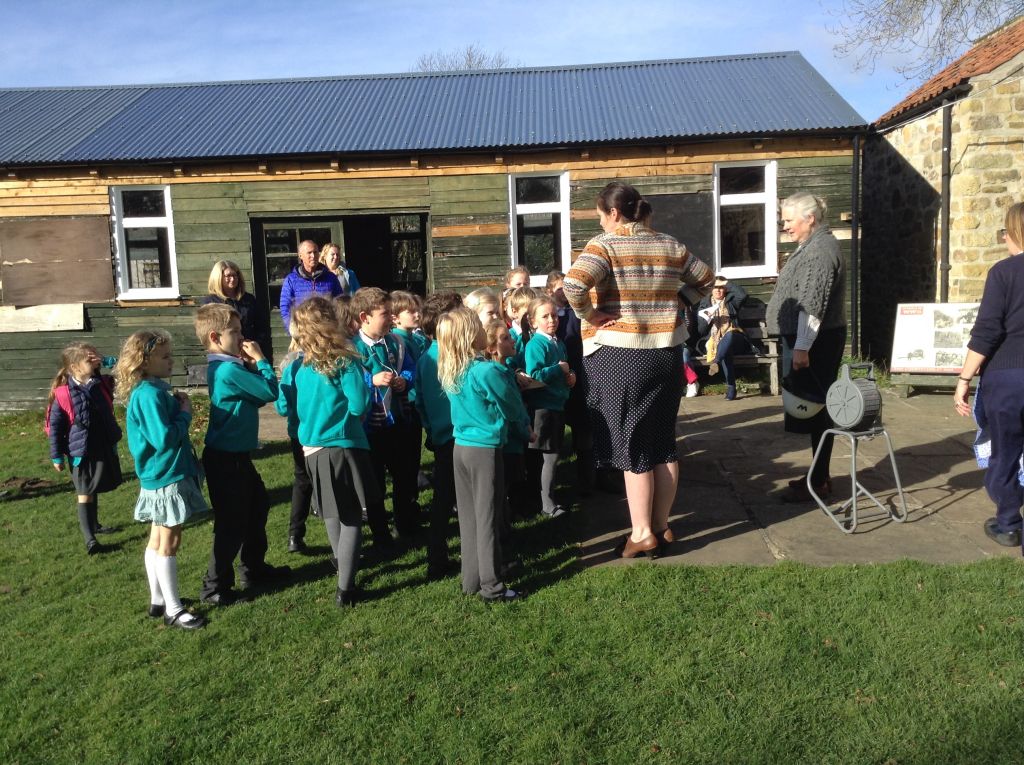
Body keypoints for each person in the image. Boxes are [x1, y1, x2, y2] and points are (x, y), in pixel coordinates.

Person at [564, 181, 713, 558]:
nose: (601, 222)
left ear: (613, 213)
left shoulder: (606, 244)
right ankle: (662, 526)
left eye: (600, 215)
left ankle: (642, 532)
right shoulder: (670, 244)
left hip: (620, 357)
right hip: (666, 356)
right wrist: (680, 302)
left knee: (631, 447)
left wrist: (590, 315)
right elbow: (707, 278)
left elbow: (573, 284)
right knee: (663, 443)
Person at [195, 303, 289, 605]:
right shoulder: (226, 371)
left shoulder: (229, 368)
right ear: (215, 337)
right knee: (231, 524)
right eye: (234, 332)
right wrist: (261, 361)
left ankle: (253, 567)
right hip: (226, 459)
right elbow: (269, 392)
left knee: (257, 506)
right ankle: (214, 587)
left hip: (236, 457)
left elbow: (254, 397)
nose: (241, 337)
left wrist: (251, 370)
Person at [437, 308, 530, 602]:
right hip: (485, 451)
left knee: (469, 518)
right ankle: (492, 586)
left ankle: (471, 579)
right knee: (487, 517)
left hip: (460, 449)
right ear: (470, 335)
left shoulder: (453, 369)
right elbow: (512, 408)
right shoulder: (485, 370)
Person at [117, 330, 207, 630]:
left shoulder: (152, 390)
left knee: (156, 539)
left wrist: (175, 403)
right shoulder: (149, 395)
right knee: (169, 541)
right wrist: (184, 414)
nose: (171, 362)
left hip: (158, 474)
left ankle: (158, 599)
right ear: (144, 361)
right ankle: (174, 608)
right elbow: (164, 438)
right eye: (164, 357)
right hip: (166, 473)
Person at [292, 297, 376, 608]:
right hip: (343, 445)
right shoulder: (345, 361)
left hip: (312, 448)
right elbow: (358, 403)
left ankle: (343, 567)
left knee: (332, 511)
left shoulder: (302, 368)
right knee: (352, 515)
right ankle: (346, 588)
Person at [766, 192, 847, 503]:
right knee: (814, 411)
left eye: (789, 220)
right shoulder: (813, 247)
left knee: (816, 410)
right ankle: (819, 475)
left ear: (809, 218)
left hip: (816, 343)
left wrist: (801, 348)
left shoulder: (819, 252)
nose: (785, 226)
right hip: (812, 341)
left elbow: (812, 305)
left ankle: (820, 480)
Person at [954, 202, 1024, 549]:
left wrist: (964, 379)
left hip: (1009, 379)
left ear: (1013, 233)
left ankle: (1009, 523)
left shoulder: (1004, 273)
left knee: (1005, 452)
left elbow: (987, 332)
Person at [351, 287, 420, 544]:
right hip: (370, 427)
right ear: (364, 317)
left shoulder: (396, 343)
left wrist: (405, 380)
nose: (391, 318)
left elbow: (411, 369)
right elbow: (348, 382)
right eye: (384, 314)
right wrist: (372, 380)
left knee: (403, 475)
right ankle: (380, 532)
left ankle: (405, 523)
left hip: (398, 422)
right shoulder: (352, 348)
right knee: (375, 482)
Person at [46, 343, 122, 554]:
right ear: (74, 366)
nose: (95, 361)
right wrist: (56, 457)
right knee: (84, 492)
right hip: (80, 451)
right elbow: (55, 428)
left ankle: (95, 525)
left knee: (93, 487)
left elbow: (127, 368)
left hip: (102, 445)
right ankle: (90, 540)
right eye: (90, 359)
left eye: (96, 358)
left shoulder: (102, 383)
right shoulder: (63, 394)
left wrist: (108, 360)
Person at [415, 291, 464, 580]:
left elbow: (420, 400)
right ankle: (438, 558)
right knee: (450, 500)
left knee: (443, 499)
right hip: (459, 435)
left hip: (442, 435)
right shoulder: (450, 357)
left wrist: (431, 429)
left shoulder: (424, 358)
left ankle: (437, 556)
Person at [524, 295, 575, 517]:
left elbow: (563, 368)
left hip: (557, 404)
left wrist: (570, 375)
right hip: (543, 407)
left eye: (554, 315)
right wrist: (559, 369)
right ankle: (546, 503)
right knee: (549, 457)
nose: (552, 320)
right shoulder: (536, 344)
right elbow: (534, 375)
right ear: (533, 321)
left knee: (552, 455)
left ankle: (545, 498)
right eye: (545, 316)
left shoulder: (557, 342)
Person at [550, 270, 596, 495]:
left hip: (580, 375)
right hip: (556, 379)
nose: (564, 292)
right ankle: (551, 484)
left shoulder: (577, 313)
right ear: (551, 290)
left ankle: (588, 479)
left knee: (584, 430)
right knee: (555, 435)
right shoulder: (550, 317)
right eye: (560, 288)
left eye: (568, 287)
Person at [275, 327, 316, 554]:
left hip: (296, 433)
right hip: (317, 434)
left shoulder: (290, 367)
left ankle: (295, 535)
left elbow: (281, 407)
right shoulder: (318, 365)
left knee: (302, 481)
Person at [694, 275, 754, 401]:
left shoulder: (731, 301)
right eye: (715, 287)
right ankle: (731, 389)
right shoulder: (704, 305)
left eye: (721, 287)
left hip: (736, 339)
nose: (718, 290)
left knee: (730, 334)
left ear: (725, 289)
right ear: (711, 289)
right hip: (713, 342)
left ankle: (716, 362)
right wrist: (707, 319)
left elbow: (742, 295)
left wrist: (726, 282)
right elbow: (701, 331)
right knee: (725, 349)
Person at [201, 260, 271, 357]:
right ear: (218, 278)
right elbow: (208, 331)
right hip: (224, 354)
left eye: (235, 275)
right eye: (228, 276)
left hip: (249, 352)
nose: (233, 279)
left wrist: (254, 345)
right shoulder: (210, 302)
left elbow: (261, 326)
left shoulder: (249, 299)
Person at [280, 240, 343, 333]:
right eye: (309, 253)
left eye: (315, 252)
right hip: (302, 333)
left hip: (327, 332)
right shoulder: (291, 280)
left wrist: (336, 327)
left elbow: (340, 303)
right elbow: (285, 307)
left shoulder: (331, 278)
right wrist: (293, 331)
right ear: (300, 256)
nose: (313, 256)